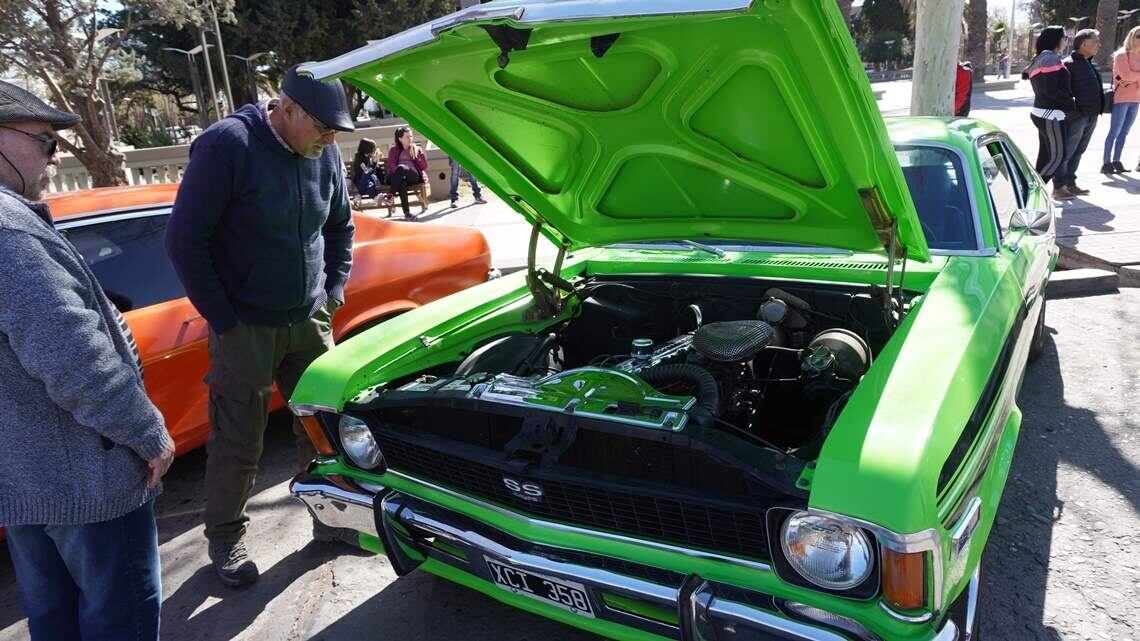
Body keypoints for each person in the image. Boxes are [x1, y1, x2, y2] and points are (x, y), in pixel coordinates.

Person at [165, 65, 355, 587]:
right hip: (244, 324)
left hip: (309, 317)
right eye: (323, 127)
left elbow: (341, 225)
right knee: (238, 439)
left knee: (321, 427)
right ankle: (225, 539)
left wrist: (333, 291)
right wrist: (224, 319)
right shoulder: (227, 145)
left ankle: (333, 521)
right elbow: (185, 241)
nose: (330, 138)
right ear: (287, 108)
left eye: (336, 131)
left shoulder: (324, 150)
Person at [0, 80, 174, 640]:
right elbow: (76, 360)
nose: (54, 157)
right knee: (119, 615)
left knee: (54, 617)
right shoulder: (9, 233)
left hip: (25, 478)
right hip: (85, 482)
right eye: (45, 141)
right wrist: (150, 435)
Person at [1022, 26, 1076, 197]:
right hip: (1051, 115)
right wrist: (1071, 102)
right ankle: (1030, 193)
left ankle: (1029, 191)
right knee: (1058, 157)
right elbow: (1050, 90)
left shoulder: (1043, 57)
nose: (1066, 40)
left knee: (1047, 157)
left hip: (1045, 113)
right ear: (1056, 39)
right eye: (1065, 37)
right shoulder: (1049, 58)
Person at [1058, 29, 1104, 196]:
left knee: (1079, 151)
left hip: (1092, 115)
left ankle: (1070, 183)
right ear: (1084, 44)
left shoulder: (1090, 63)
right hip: (1077, 116)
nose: (1099, 45)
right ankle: (1059, 187)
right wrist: (1075, 110)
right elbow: (1063, 91)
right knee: (1067, 151)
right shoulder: (1068, 63)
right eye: (1095, 41)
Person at [1104, 25, 1140, 174]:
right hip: (1122, 98)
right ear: (1131, 37)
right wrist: (1132, 78)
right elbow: (1126, 76)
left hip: (1136, 99)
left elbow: (1131, 77)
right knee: (1115, 131)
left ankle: (1117, 161)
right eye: (1138, 36)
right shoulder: (1121, 55)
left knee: (1124, 132)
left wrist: (1133, 77)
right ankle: (1106, 163)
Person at [386, 126, 429, 220]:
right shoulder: (393, 150)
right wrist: (400, 173)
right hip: (398, 177)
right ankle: (407, 213)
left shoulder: (416, 149)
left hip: (413, 176)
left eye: (411, 136)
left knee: (401, 168)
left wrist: (417, 154)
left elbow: (424, 167)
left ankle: (390, 195)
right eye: (407, 137)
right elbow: (391, 165)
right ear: (400, 138)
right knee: (401, 182)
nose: (410, 139)